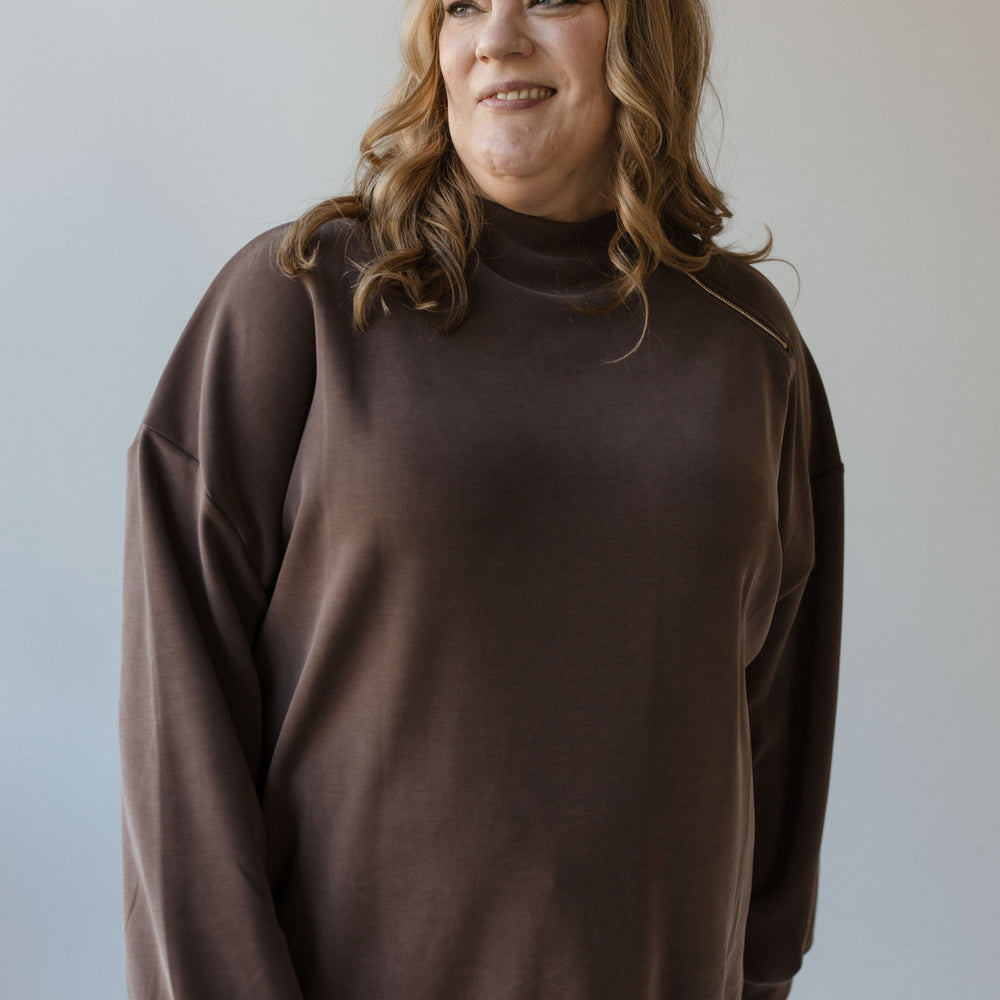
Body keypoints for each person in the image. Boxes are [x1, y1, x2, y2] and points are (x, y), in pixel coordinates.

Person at [119, 0, 843, 998]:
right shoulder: (305, 303)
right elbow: (179, 739)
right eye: (461, 5)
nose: (496, 38)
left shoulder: (747, 347)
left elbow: (778, 735)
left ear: (644, 32)